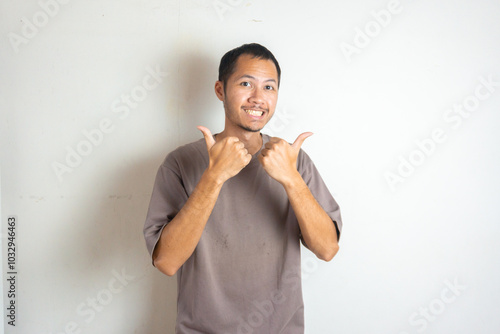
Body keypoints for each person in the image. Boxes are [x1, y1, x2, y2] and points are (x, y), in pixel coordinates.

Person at [143, 43, 342, 334]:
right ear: (220, 90)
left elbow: (327, 249)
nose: (258, 98)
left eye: (269, 87)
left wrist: (291, 179)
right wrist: (214, 178)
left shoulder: (293, 162)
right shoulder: (180, 163)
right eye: (246, 83)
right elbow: (166, 262)